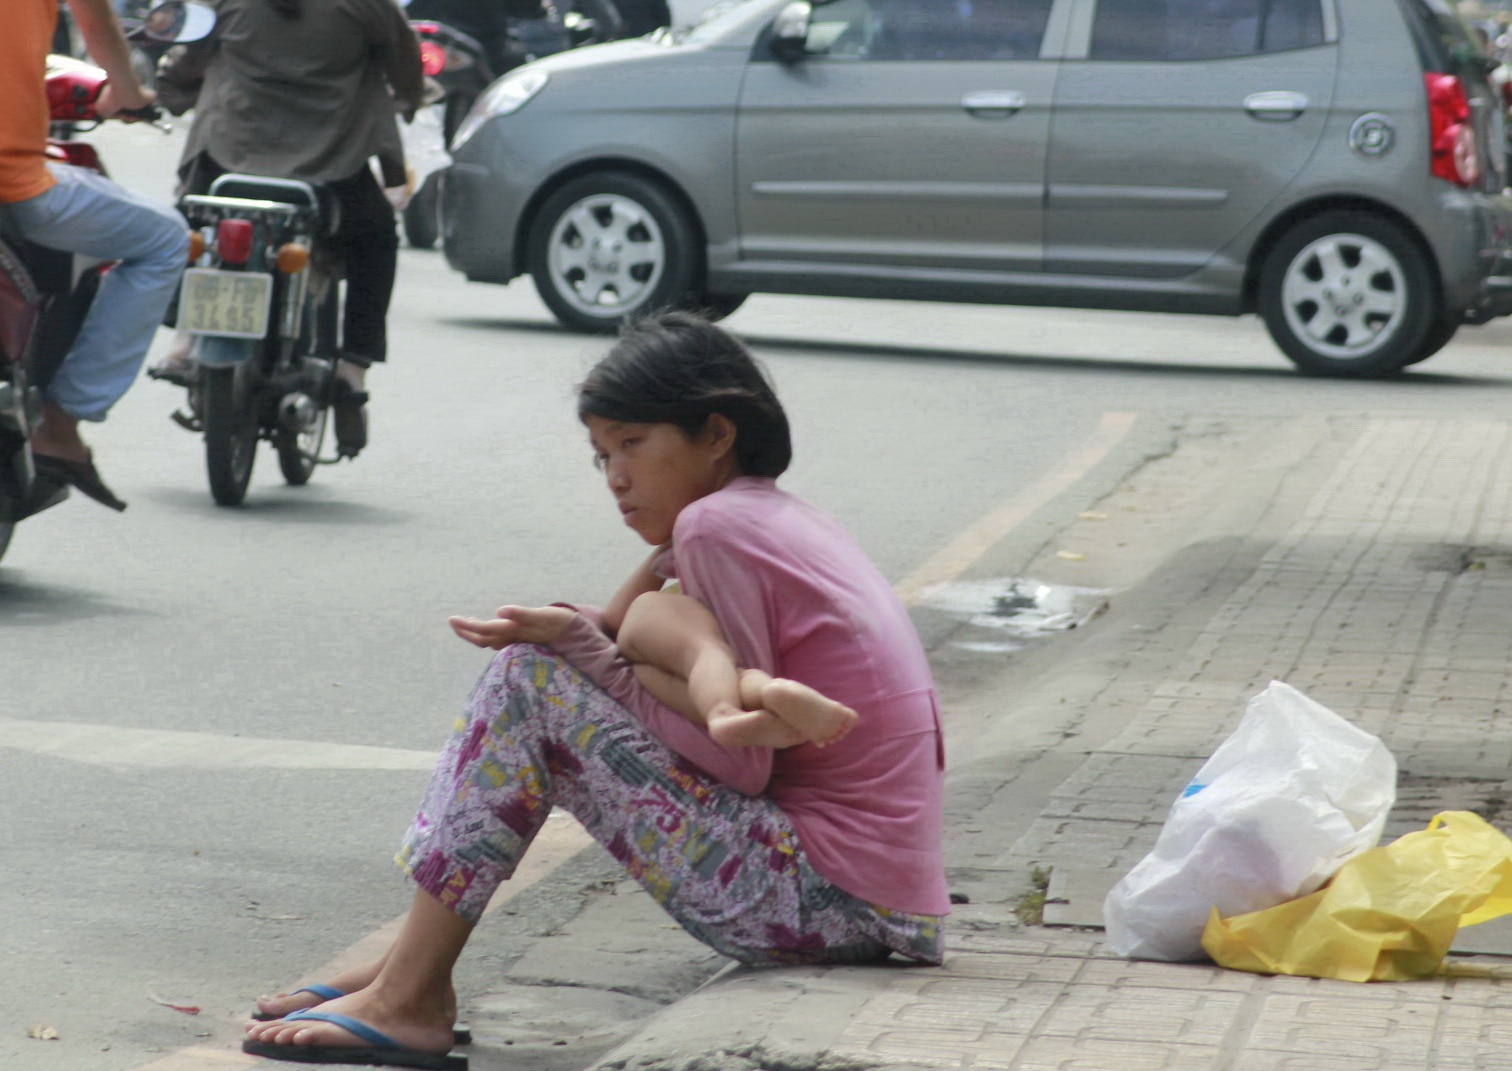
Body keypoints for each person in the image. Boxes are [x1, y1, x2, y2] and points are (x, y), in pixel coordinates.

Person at [241, 312, 949, 1068]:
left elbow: (740, 759)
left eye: (633, 444)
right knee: (541, 667)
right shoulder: (765, 513)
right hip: (865, 897)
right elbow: (629, 635)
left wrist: (582, 654)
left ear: (716, 433)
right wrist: (579, 634)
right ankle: (407, 968)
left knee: (528, 683)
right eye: (601, 453)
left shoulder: (716, 526)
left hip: (823, 899)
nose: (615, 475)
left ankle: (412, 991)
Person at [156, 0, 424, 459]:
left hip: (230, 154)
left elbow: (190, 57)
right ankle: (353, 370)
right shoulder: (368, 6)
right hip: (330, 167)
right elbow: (403, 61)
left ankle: (184, 340)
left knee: (186, 224)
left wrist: (170, 87)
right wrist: (409, 97)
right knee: (377, 238)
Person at [2, 0, 188, 511]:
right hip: (15, 185)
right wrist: (126, 93)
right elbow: (98, 23)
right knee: (166, 238)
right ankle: (61, 423)